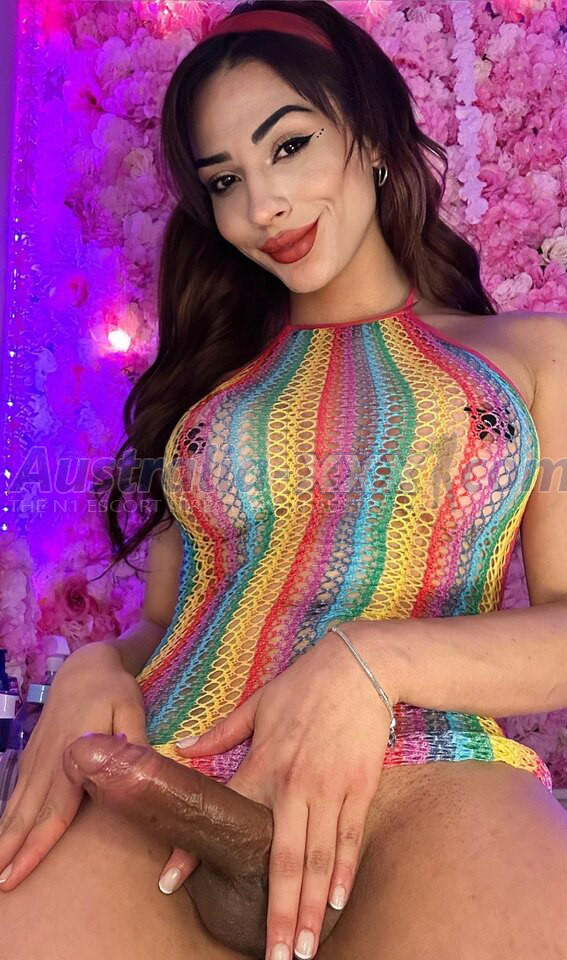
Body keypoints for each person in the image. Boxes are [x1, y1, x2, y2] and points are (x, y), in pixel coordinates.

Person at [1, 2, 566, 958]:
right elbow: (161, 622)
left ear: (370, 136)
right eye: (225, 179)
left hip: (422, 788)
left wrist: (371, 661)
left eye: (290, 145)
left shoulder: (534, 357)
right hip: (165, 774)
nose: (261, 205)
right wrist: (94, 668)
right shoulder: (205, 387)